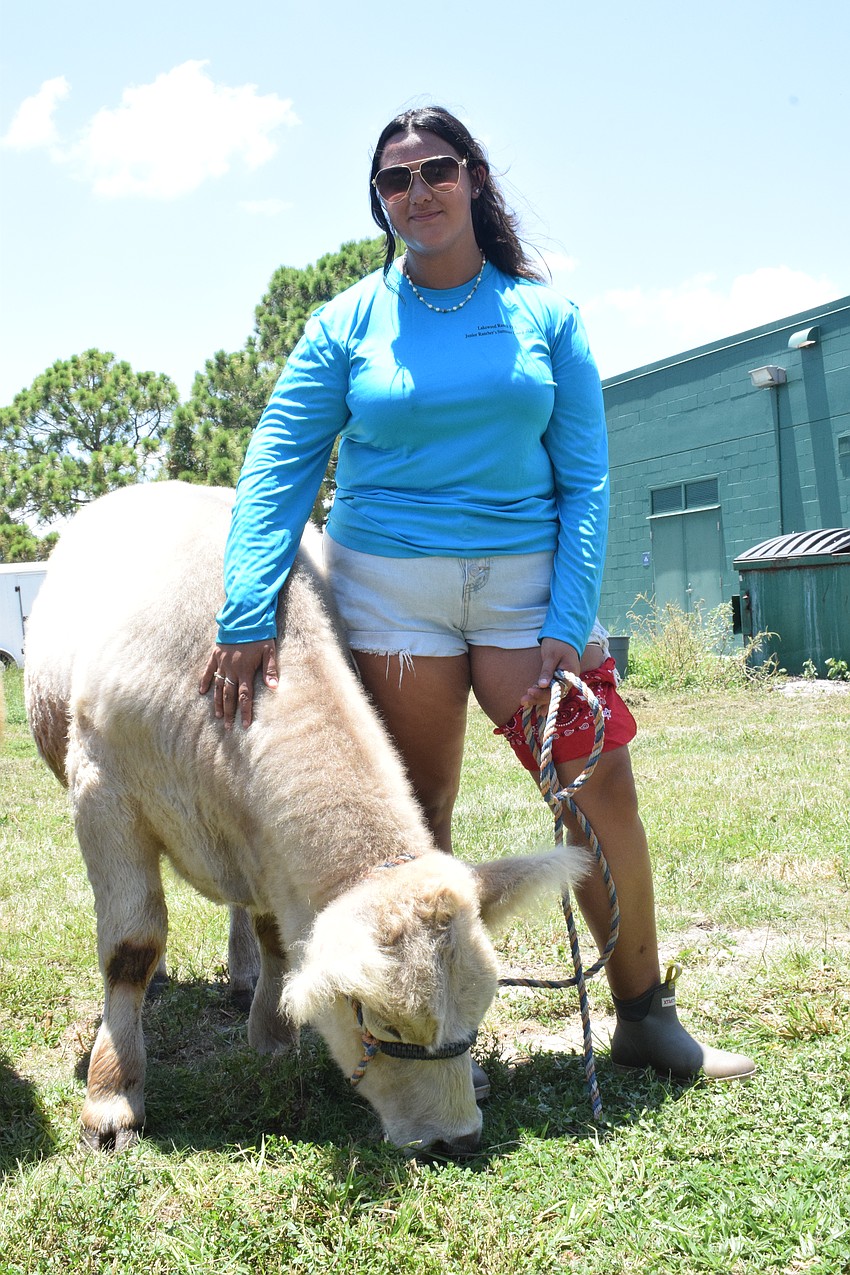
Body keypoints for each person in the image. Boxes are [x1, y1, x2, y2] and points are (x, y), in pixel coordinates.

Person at [201, 106, 755, 1087]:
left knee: (600, 789)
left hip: (523, 595)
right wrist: (247, 608)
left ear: (474, 179)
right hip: (388, 597)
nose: (417, 192)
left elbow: (585, 480)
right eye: (394, 181)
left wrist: (565, 617)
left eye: (435, 170)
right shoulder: (345, 324)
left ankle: (643, 1014)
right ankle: (417, 1030)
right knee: (418, 821)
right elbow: (278, 466)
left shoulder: (545, 318)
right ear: (380, 202)